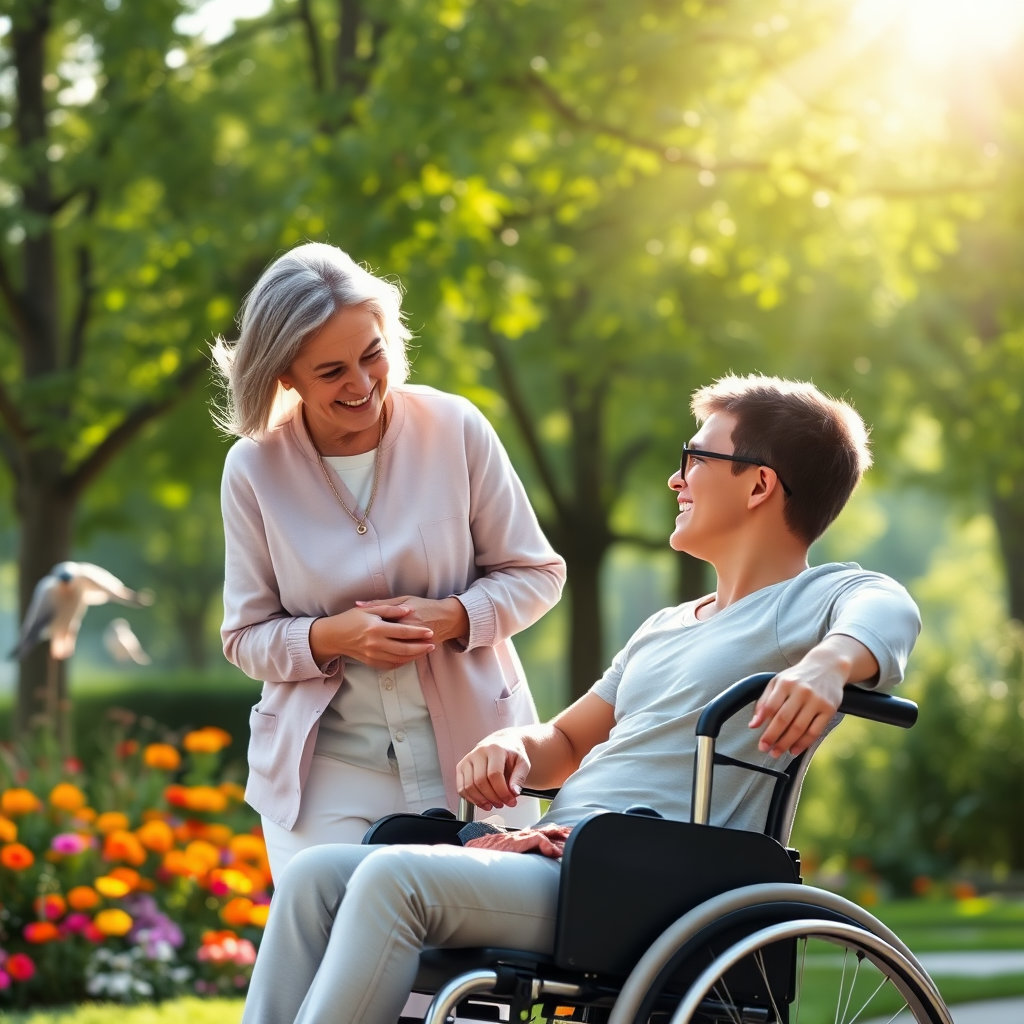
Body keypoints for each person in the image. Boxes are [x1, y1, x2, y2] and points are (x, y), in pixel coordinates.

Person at [240, 373, 922, 1024]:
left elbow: (889, 605)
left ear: (759, 486)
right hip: (575, 856)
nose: (676, 477)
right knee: (316, 877)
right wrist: (514, 744)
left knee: (393, 883)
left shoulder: (803, 602)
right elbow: (564, 745)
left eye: (696, 457)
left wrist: (828, 666)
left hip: (648, 886)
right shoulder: (665, 626)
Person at [210, 241, 566, 880]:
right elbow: (245, 637)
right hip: (327, 775)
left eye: (371, 355)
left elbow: (537, 573)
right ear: (283, 374)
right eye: (331, 372)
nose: (361, 383)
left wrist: (457, 616)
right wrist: (329, 638)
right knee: (335, 961)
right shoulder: (253, 469)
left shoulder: (454, 426)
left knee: (463, 973)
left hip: (476, 759)